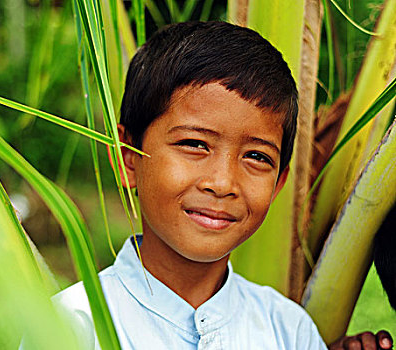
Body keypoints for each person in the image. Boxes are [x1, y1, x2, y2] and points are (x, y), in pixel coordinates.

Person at [51, 21, 393, 350]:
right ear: (129, 160)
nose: (223, 183)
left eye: (257, 157)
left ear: (277, 186)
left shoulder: (290, 330)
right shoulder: (71, 326)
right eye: (195, 144)